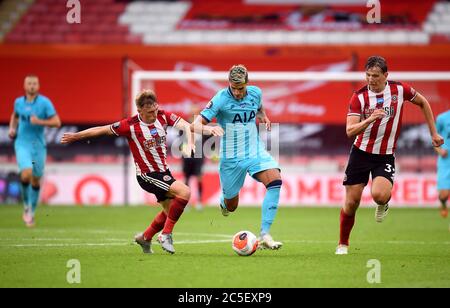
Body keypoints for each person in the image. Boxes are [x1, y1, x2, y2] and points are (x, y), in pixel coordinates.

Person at [60, 90, 223, 254]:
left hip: (163, 172)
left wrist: (210, 130)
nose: (154, 114)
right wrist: (76, 136)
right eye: (150, 112)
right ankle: (166, 235)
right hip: (147, 175)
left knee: (170, 211)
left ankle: (145, 238)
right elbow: (102, 130)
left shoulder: (163, 116)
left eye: (155, 109)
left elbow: (189, 127)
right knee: (185, 191)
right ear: (140, 111)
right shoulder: (129, 125)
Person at [336, 56, 444, 255]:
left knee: (380, 195)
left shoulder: (399, 90)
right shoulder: (358, 97)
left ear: (386, 75)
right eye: (368, 75)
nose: (371, 79)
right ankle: (343, 244)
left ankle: (383, 203)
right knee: (351, 203)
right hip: (360, 153)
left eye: (375, 75)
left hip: (385, 155)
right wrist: (369, 119)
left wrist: (434, 133)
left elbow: (423, 102)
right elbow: (350, 131)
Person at [192, 64, 283, 250]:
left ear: (247, 85)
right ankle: (224, 202)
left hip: (254, 150)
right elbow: (194, 125)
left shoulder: (256, 93)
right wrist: (209, 128)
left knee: (275, 180)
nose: (237, 92)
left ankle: (265, 233)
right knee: (231, 206)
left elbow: (258, 107)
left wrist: (263, 116)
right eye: (234, 88)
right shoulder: (220, 99)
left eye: (241, 88)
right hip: (231, 157)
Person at [8, 75, 61, 227]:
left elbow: (57, 122)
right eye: (29, 83)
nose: (32, 86)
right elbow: (15, 115)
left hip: (37, 145)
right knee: (26, 174)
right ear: (25, 86)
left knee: (36, 179)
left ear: (38, 86)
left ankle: (31, 211)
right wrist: (12, 129)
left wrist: (40, 121)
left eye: (34, 83)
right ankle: (26, 206)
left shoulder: (45, 103)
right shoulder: (18, 102)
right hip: (22, 143)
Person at [181, 105, 206, 211]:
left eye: (195, 113)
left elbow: (208, 139)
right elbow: (180, 140)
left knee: (199, 177)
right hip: (187, 156)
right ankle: (186, 202)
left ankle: (199, 201)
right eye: (192, 112)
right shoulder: (183, 125)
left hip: (199, 156)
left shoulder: (202, 125)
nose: (193, 115)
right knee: (186, 179)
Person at [435, 110, 450, 218]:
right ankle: (443, 204)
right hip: (446, 160)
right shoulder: (442, 118)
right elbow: (434, 137)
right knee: (444, 194)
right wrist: (440, 151)